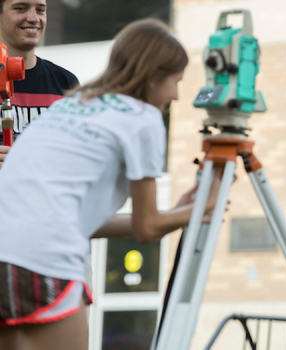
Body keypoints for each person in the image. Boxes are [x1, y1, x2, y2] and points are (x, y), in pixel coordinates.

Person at [0, 18, 221, 350]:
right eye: (174, 82)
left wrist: (174, 211)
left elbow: (81, 221)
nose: (175, 95)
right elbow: (148, 229)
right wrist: (201, 207)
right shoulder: (143, 119)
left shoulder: (76, 102)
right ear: (151, 77)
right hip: (46, 261)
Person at [0, 0, 79, 166]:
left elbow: (78, 156)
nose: (34, 18)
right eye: (20, 8)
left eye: (40, 10)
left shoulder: (66, 83)